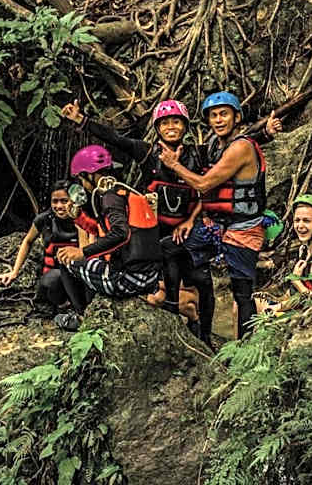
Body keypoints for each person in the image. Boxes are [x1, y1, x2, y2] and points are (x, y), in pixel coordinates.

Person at [61, 98, 212, 342]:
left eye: (176, 122)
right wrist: (82, 120)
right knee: (166, 287)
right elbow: (115, 139)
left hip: (186, 228)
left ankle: (204, 336)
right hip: (158, 230)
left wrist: (192, 221)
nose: (171, 127)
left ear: (185, 126)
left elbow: (209, 186)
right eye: (165, 123)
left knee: (202, 280)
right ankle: (176, 330)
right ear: (157, 128)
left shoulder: (197, 154)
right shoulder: (147, 153)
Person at [158, 92, 282, 339]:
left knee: (241, 292)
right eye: (213, 116)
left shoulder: (241, 148)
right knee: (169, 247)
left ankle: (245, 347)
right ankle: (178, 311)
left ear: (237, 117)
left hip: (243, 228)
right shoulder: (216, 143)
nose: (218, 120)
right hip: (214, 226)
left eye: (224, 114)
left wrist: (174, 165)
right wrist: (191, 220)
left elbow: (204, 185)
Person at [55, 145, 161, 305]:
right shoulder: (122, 192)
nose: (83, 184)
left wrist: (83, 252)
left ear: (90, 175)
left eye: (82, 179)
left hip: (127, 280)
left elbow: (121, 234)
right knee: (84, 259)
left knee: (66, 259)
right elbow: (103, 231)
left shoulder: (109, 198)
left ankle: (81, 313)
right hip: (150, 278)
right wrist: (79, 217)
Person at [0, 180, 93, 328]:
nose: (59, 206)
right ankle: (63, 308)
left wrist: (80, 225)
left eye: (64, 201)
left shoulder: (83, 220)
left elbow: (87, 252)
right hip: (52, 280)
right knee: (55, 277)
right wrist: (14, 272)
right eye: (55, 201)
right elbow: (27, 241)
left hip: (77, 278)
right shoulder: (44, 219)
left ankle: (78, 311)